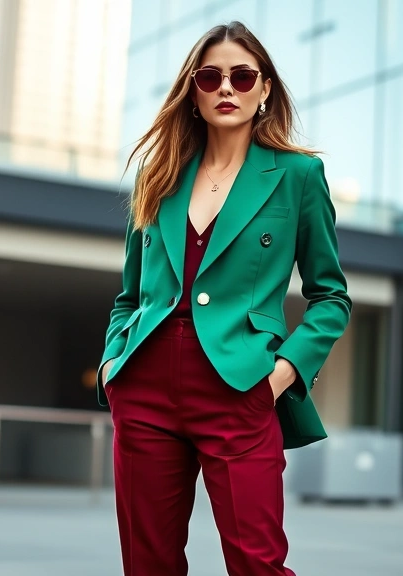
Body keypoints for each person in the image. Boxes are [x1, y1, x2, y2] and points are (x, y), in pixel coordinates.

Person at [96, 20, 351, 576]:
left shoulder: (299, 176)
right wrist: (113, 364)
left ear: (264, 89)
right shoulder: (157, 177)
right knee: (148, 566)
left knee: (258, 564)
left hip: (240, 387)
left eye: (242, 75)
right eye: (210, 77)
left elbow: (331, 297)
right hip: (144, 387)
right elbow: (130, 295)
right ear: (193, 91)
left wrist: (280, 375)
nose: (226, 88)